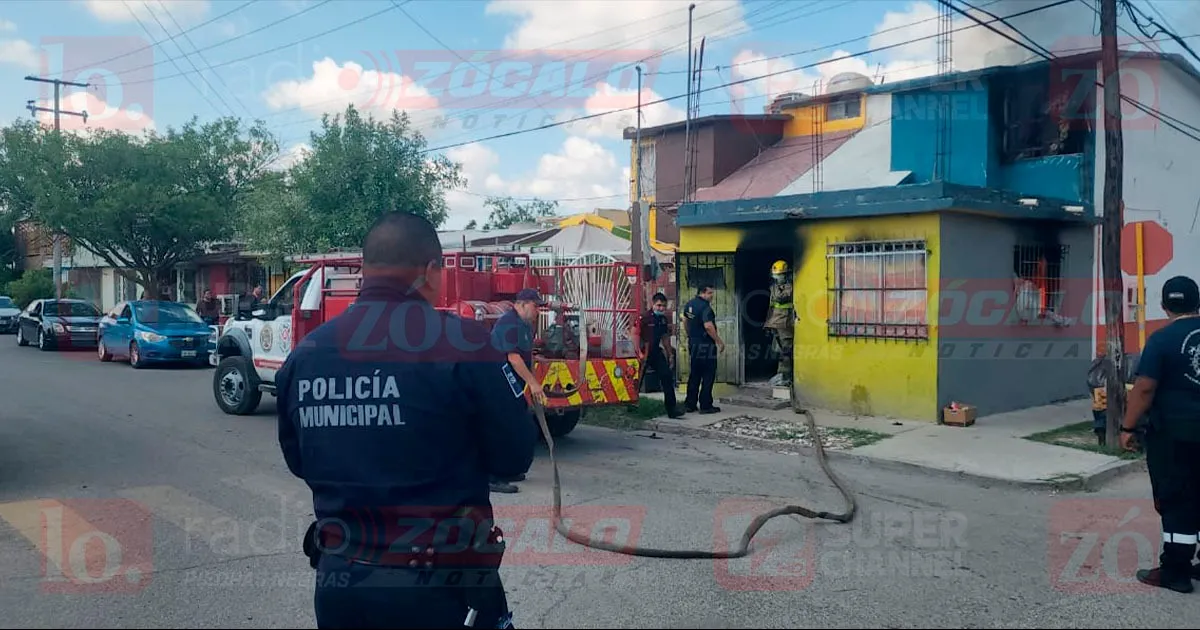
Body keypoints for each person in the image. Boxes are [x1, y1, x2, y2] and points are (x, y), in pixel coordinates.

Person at [275, 211, 536, 629]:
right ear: (431, 271)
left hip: (340, 584)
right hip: (440, 590)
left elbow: (299, 462)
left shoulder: (307, 355)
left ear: (365, 268)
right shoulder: (466, 344)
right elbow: (513, 458)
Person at [1120, 275, 1200, 593]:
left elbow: (1145, 388)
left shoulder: (1161, 340)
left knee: (1177, 499)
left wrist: (1127, 427)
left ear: (1165, 306)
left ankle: (1176, 572)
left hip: (1175, 436)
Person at [487, 287, 547, 494]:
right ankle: (490, 476)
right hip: (498, 381)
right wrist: (533, 383)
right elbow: (513, 357)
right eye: (535, 306)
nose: (538, 311)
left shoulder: (524, 325)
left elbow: (525, 354)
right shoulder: (509, 323)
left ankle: (507, 470)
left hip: (512, 384)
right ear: (521, 304)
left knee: (516, 427)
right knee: (498, 429)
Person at [639, 292, 684, 418]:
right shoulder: (644, 317)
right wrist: (638, 353)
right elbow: (634, 334)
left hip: (655, 352)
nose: (661, 308)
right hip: (643, 352)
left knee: (667, 377)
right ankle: (630, 406)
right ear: (653, 304)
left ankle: (672, 409)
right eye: (659, 305)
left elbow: (665, 338)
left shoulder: (663, 319)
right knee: (636, 380)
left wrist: (670, 355)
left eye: (663, 306)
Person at [682, 284, 724, 414]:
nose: (712, 296)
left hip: (694, 343)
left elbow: (685, 321)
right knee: (708, 374)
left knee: (695, 374)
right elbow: (708, 326)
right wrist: (719, 341)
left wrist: (690, 335)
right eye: (710, 293)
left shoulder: (690, 304)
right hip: (706, 345)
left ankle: (690, 404)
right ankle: (706, 405)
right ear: (703, 293)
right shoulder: (706, 308)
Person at [765, 260, 794, 387]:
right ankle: (781, 374)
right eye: (775, 276)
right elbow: (772, 305)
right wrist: (768, 324)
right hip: (775, 322)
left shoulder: (789, 286)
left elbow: (779, 297)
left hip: (785, 323)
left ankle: (785, 376)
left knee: (785, 351)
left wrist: (777, 287)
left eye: (779, 276)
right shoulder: (775, 286)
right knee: (778, 350)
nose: (777, 278)